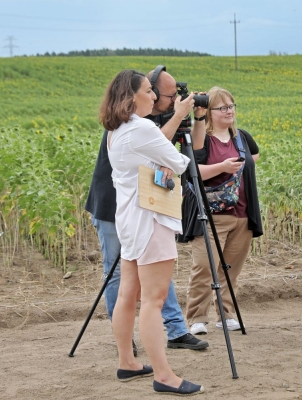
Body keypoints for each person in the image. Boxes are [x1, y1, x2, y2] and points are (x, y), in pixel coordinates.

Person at [85, 66, 209, 353]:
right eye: (163, 94)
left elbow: (194, 150)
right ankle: (125, 339)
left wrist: (197, 118)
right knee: (120, 275)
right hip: (114, 205)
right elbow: (165, 151)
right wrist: (177, 119)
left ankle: (176, 331)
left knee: (154, 274)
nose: (163, 100)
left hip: (147, 207)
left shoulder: (155, 117)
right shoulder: (131, 122)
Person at [182, 87, 263, 335]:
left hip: (242, 215)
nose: (229, 111)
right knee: (205, 268)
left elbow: (255, 156)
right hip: (210, 215)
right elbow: (191, 170)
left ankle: (226, 314)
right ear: (209, 113)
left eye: (231, 106)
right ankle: (197, 318)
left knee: (230, 270)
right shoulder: (203, 139)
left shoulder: (242, 137)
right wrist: (223, 167)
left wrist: (238, 170)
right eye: (222, 108)